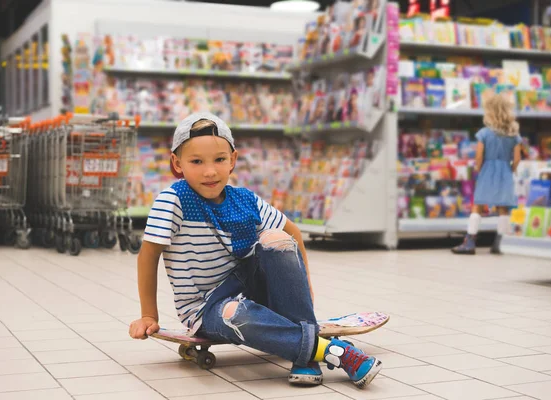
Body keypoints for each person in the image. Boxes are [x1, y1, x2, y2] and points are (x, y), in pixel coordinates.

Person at [129, 112, 382, 388]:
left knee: (276, 237)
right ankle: (332, 352)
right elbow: (148, 255)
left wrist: (304, 285)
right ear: (177, 164)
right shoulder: (173, 200)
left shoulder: (244, 198)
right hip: (208, 306)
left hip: (250, 283)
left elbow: (293, 232)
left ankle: (303, 349)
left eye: (219, 160)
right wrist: (148, 315)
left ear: (233, 160)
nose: (210, 171)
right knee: (235, 314)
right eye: (196, 162)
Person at [452, 94, 522, 255]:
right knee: (503, 207)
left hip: (487, 170)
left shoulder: (484, 133)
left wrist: (479, 168)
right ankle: (500, 242)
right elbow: (517, 158)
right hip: (505, 170)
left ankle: (469, 242)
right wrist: (510, 169)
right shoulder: (514, 134)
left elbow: (479, 155)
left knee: (478, 204)